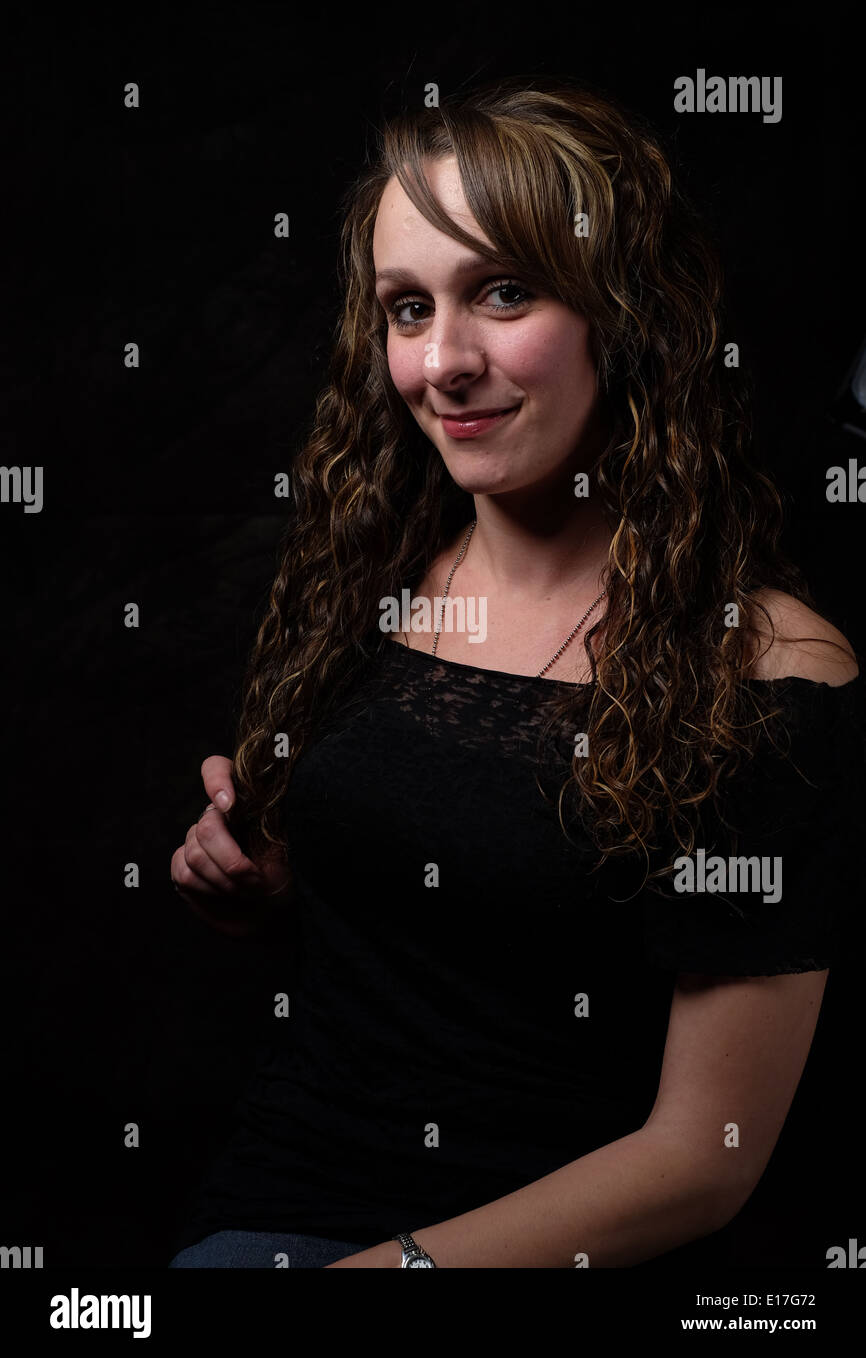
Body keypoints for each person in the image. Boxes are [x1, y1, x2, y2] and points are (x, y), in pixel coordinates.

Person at [167, 76, 863, 1269]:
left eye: (501, 292)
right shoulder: (368, 575)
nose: (441, 362)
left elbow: (707, 1154)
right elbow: (431, 925)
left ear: (622, 310)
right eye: (402, 308)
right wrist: (266, 879)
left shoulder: (769, 673)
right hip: (281, 1210)